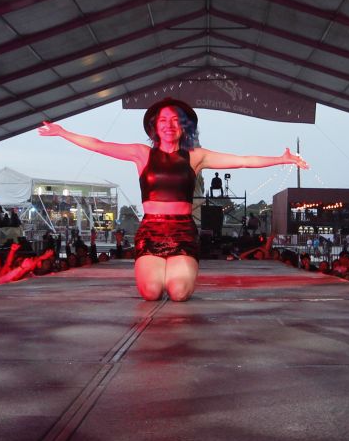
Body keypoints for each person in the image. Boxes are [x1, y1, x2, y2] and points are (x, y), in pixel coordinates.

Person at [38, 99, 308, 301]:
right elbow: (98, 145)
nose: (169, 125)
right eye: (163, 120)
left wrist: (281, 159)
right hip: (151, 231)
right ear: (155, 126)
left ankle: (178, 269)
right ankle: (161, 270)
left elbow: (243, 161)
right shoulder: (141, 154)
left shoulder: (196, 156)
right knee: (151, 293)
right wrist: (63, 132)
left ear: (184, 127)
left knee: (178, 293)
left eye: (175, 120)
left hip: (182, 232)